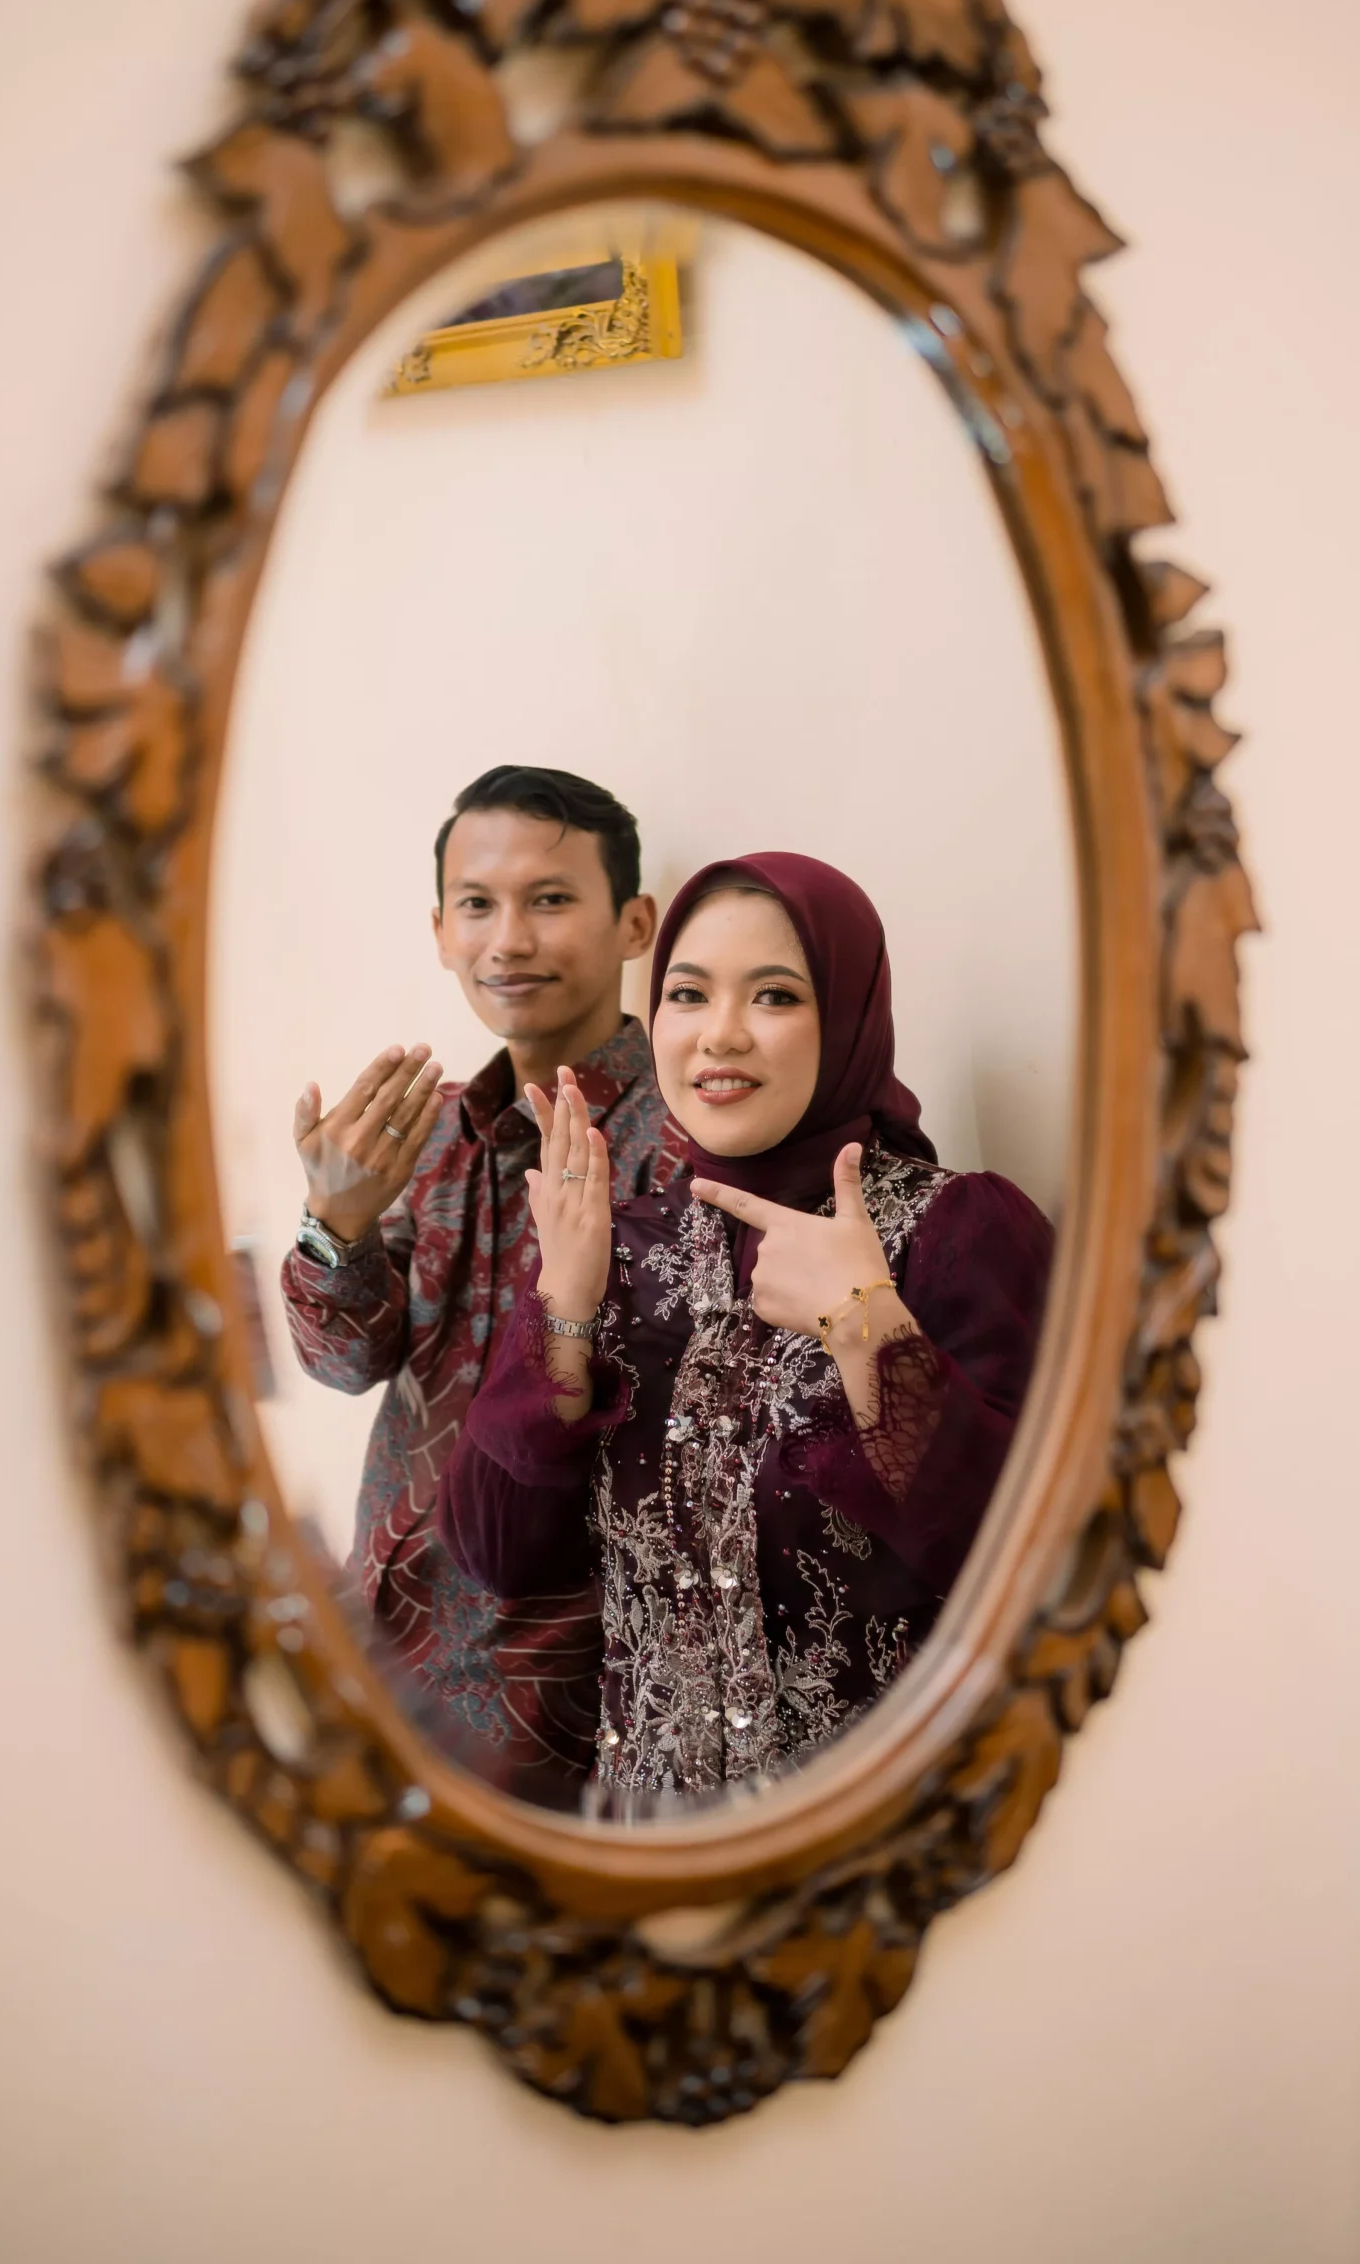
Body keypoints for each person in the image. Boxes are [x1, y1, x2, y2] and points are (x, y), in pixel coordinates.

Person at [436, 851, 1054, 1807]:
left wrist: (867, 1329)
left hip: (893, 1832)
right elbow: (496, 1557)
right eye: (686, 995)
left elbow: (1030, 1561)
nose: (719, 1036)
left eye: (774, 996)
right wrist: (563, 1301)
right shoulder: (615, 1247)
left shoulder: (953, 1230)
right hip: (658, 1840)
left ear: (847, 1017)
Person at [279, 765, 686, 1805]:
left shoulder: (687, 1142)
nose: (508, 940)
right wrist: (335, 1222)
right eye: (476, 904)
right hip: (386, 1655)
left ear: (633, 924)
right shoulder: (428, 1134)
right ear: (439, 930)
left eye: (549, 899)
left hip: (573, 1704)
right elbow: (344, 1365)